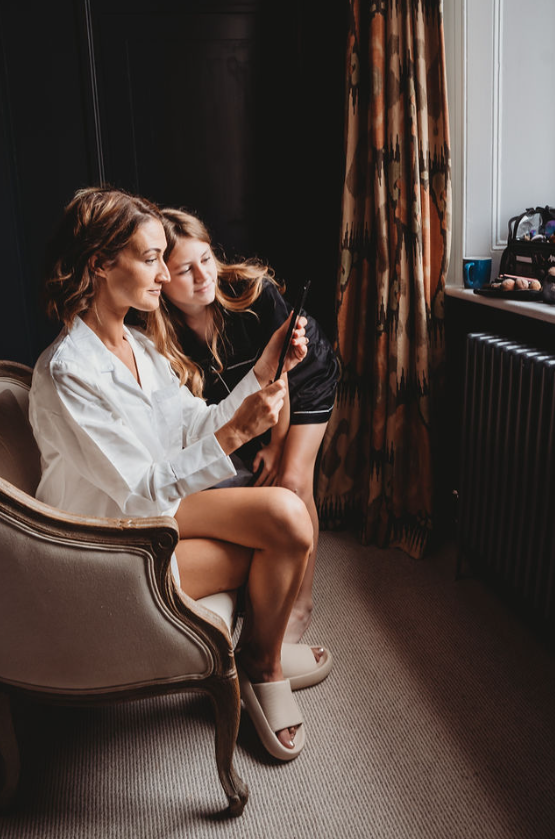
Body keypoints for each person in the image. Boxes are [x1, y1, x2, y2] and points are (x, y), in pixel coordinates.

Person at [28, 186, 318, 762]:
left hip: (155, 515)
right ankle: (261, 664)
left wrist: (265, 368)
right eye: (151, 257)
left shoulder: (137, 344)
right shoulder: (68, 371)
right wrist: (235, 434)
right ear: (100, 264)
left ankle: (258, 663)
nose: (165, 274)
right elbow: (138, 491)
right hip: (107, 545)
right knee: (283, 528)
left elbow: (193, 426)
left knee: (288, 515)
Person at [158, 207, 340, 643]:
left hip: (303, 376)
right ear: (161, 278)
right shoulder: (159, 334)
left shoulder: (250, 292)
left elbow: (283, 372)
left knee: (293, 483)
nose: (203, 276)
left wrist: (277, 447)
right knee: (258, 489)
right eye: (185, 269)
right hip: (244, 400)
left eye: (206, 258)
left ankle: (301, 602)